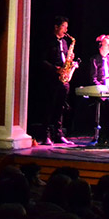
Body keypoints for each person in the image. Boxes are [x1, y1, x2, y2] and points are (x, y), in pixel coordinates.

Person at [42, 15, 76, 145]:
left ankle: (58, 134)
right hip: (51, 79)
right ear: (56, 27)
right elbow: (42, 60)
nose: (66, 31)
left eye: (67, 27)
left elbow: (65, 58)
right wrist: (55, 68)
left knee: (61, 108)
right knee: (49, 107)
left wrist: (70, 60)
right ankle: (46, 135)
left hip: (63, 79)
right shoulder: (48, 41)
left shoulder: (65, 42)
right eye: (64, 27)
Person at [88, 34, 109, 146]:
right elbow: (93, 79)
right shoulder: (94, 59)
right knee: (106, 107)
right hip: (99, 92)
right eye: (108, 45)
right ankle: (103, 136)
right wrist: (103, 89)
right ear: (101, 45)